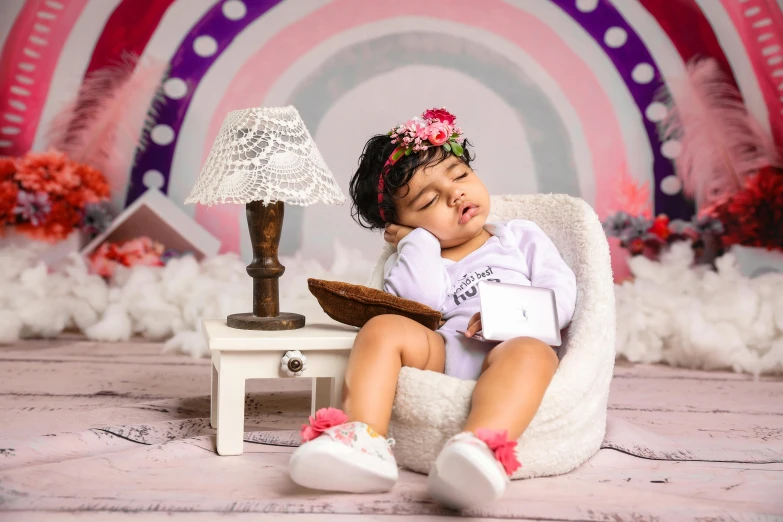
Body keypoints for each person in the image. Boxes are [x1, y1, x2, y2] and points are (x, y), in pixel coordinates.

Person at [289, 108, 577, 509]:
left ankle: (476, 451)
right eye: (429, 201)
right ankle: (362, 442)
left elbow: (560, 295)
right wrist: (418, 242)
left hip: (510, 348)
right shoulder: (418, 255)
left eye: (459, 176)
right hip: (445, 350)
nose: (455, 193)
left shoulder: (518, 237)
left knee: (533, 352)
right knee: (383, 327)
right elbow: (418, 305)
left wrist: (508, 316)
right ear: (404, 223)